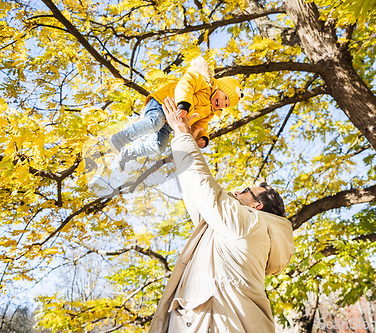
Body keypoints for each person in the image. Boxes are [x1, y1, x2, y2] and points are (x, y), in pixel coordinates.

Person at [148, 97, 295, 333]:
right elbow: (197, 196)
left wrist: (183, 134)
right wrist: (185, 141)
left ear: (257, 206)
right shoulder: (229, 231)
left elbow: (207, 193)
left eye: (247, 191)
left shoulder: (251, 225)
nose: (236, 191)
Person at [109, 56, 243, 170]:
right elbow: (186, 84)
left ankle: (127, 154)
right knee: (154, 123)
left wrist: (202, 137)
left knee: (159, 146)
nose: (222, 103)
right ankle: (120, 138)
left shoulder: (210, 112)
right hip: (163, 103)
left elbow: (200, 124)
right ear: (220, 87)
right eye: (225, 97)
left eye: (226, 105)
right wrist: (183, 103)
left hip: (170, 122)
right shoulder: (205, 83)